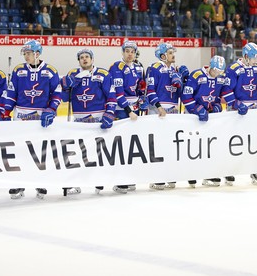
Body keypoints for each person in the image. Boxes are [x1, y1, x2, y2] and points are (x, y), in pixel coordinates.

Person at [0, 40, 61, 199]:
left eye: (28, 53)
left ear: (37, 54)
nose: (26, 56)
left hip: (41, 117)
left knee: (40, 151)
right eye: (24, 53)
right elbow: (11, 94)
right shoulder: (18, 70)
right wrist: (5, 112)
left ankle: (40, 182)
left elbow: (57, 94)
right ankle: (19, 183)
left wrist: (51, 109)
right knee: (20, 150)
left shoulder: (50, 71)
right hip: (21, 116)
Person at [221, 43, 257, 185]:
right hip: (236, 111)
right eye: (255, 57)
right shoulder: (234, 69)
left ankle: (255, 170)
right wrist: (235, 104)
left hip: (252, 109)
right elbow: (226, 90)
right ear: (246, 56)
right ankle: (229, 171)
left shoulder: (254, 69)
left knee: (254, 141)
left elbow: (256, 89)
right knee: (234, 142)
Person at [60, 48, 116, 195]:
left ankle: (99, 180)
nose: (84, 59)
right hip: (79, 121)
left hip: (98, 121)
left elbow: (111, 96)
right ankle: (76, 183)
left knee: (98, 152)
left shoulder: (103, 74)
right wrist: (65, 87)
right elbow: (65, 99)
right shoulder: (73, 74)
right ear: (79, 60)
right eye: (81, 57)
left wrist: (110, 113)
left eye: (87, 57)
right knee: (78, 153)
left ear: (92, 59)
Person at [145, 43, 189, 190]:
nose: (173, 55)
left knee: (171, 145)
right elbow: (150, 90)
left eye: (173, 52)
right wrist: (158, 107)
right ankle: (157, 177)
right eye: (170, 52)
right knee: (157, 145)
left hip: (173, 111)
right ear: (163, 55)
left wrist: (184, 80)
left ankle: (170, 176)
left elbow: (179, 94)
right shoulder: (154, 68)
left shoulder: (174, 69)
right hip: (158, 111)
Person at [181, 55, 227, 187]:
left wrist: (218, 105)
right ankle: (191, 174)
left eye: (220, 71)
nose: (218, 73)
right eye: (216, 70)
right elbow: (186, 96)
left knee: (209, 147)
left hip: (209, 118)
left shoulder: (220, 78)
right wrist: (197, 109)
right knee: (192, 147)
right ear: (211, 67)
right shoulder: (196, 75)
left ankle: (209, 174)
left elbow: (217, 97)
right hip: (193, 117)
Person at [108, 41, 141, 193]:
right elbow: (118, 93)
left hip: (135, 110)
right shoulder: (116, 67)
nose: (129, 54)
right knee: (121, 145)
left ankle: (130, 177)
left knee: (133, 145)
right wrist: (129, 110)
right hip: (122, 110)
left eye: (132, 51)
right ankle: (119, 179)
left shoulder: (138, 67)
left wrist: (142, 101)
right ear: (122, 52)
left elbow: (140, 88)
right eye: (127, 51)